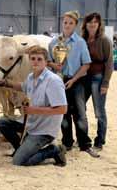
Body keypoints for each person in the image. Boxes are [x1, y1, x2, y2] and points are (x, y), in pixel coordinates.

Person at [0, 46, 68, 167]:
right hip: (30, 124)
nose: (35, 61)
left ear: (46, 62)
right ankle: (20, 149)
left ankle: (54, 150)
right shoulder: (31, 77)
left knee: (19, 161)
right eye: (33, 59)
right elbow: (23, 86)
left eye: (39, 59)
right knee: (1, 123)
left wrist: (34, 110)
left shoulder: (53, 81)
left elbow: (62, 109)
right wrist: (5, 83)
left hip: (43, 130)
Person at [48, 10, 99, 158]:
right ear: (62, 23)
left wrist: (73, 79)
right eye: (65, 22)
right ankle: (67, 142)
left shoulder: (80, 42)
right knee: (63, 112)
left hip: (76, 81)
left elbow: (86, 64)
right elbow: (48, 61)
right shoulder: (54, 42)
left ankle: (85, 144)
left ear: (75, 25)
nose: (67, 25)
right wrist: (53, 65)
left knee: (80, 113)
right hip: (58, 81)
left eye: (71, 23)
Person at [81, 12, 113, 150]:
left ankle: (100, 141)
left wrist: (105, 83)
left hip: (98, 78)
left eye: (95, 22)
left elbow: (109, 63)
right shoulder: (82, 39)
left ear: (99, 24)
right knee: (79, 108)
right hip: (84, 78)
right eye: (90, 22)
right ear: (86, 24)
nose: (92, 24)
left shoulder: (104, 40)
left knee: (99, 111)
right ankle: (83, 138)